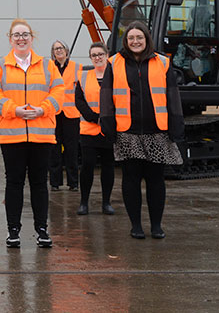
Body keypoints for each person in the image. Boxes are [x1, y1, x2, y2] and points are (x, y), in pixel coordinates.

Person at [99, 21, 184, 240]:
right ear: (125, 41)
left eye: (139, 38)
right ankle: (135, 225)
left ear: (146, 39)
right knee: (131, 179)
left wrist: (176, 126)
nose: (135, 42)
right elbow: (106, 96)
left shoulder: (163, 62)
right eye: (131, 38)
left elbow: (173, 97)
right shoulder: (113, 62)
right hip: (127, 131)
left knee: (156, 180)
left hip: (157, 131)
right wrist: (108, 125)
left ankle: (156, 225)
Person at [0, 19, 63, 249]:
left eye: (25, 34)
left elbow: (59, 93)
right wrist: (14, 110)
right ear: (10, 39)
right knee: (14, 182)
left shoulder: (47, 66)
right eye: (16, 35)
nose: (21, 38)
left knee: (40, 183)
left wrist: (43, 109)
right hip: (12, 136)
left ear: (32, 38)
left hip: (41, 135)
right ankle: (13, 231)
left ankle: (42, 230)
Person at [73, 42, 116, 216]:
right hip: (89, 130)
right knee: (88, 166)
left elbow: (119, 99)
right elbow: (79, 100)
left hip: (108, 130)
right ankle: (84, 202)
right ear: (90, 58)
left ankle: (106, 202)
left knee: (108, 167)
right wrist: (94, 117)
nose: (97, 58)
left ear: (107, 55)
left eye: (100, 54)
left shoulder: (115, 76)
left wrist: (106, 119)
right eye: (94, 55)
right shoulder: (83, 76)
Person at [48, 40, 81, 192]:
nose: (59, 51)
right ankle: (55, 182)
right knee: (54, 149)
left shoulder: (77, 68)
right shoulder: (48, 68)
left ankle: (73, 183)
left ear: (67, 51)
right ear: (53, 53)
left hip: (71, 114)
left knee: (71, 149)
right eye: (56, 49)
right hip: (54, 113)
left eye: (61, 48)